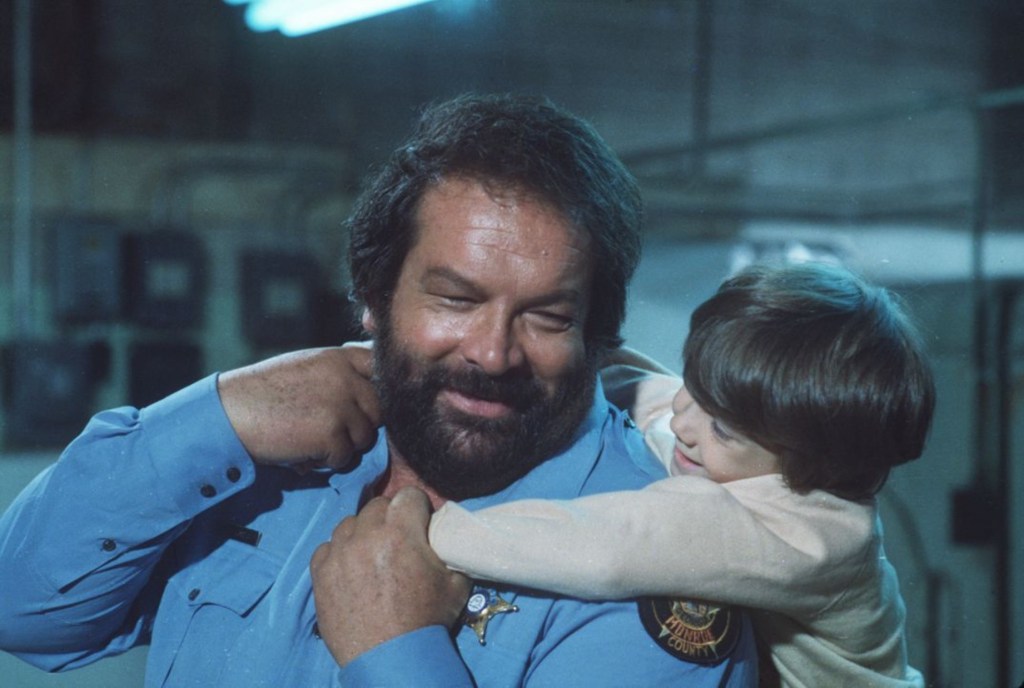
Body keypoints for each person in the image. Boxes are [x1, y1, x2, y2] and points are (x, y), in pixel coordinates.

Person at [0, 93, 757, 686]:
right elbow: (23, 611)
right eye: (455, 299)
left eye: (547, 317)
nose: (492, 353)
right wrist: (219, 415)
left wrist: (397, 654)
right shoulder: (263, 462)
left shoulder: (658, 561)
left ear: (598, 330)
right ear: (373, 297)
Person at [428, 262, 934, 688]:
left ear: (806, 463)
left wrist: (436, 533)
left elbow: (616, 547)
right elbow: (645, 390)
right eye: (692, 386)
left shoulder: (807, 537)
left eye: (720, 428)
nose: (681, 421)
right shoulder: (756, 445)